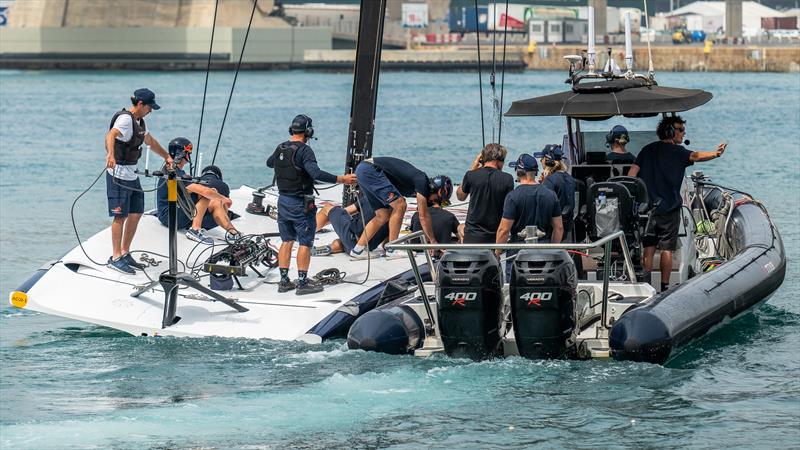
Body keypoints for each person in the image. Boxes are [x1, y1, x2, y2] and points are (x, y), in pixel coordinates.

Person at [628, 115, 726, 292]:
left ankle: (645, 287)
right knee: (667, 249)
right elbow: (696, 156)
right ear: (670, 131)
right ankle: (664, 288)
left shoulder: (646, 150)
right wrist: (716, 154)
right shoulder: (679, 153)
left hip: (647, 209)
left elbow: (631, 174)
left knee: (648, 249)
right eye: (680, 130)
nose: (683, 134)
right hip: (669, 209)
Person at [267, 114, 357, 295]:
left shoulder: (280, 148)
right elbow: (315, 173)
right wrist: (342, 179)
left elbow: (270, 163)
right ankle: (302, 283)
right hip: (300, 202)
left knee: (287, 241)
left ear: (291, 130)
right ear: (308, 131)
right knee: (305, 243)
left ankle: (284, 282)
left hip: (283, 201)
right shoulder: (305, 151)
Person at [104, 88, 173, 274]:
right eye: (149, 107)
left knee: (136, 213)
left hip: (132, 174)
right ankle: (116, 256)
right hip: (118, 174)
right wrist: (110, 154)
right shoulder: (125, 119)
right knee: (120, 216)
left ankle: (125, 252)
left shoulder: (140, 121)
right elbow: (110, 135)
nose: (151, 111)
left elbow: (149, 140)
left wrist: (166, 156)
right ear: (140, 104)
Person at [351, 157, 452, 260]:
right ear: (435, 189)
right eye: (436, 200)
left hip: (364, 170)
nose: (434, 202)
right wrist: (433, 242)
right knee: (400, 205)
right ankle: (392, 249)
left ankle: (358, 250)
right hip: (371, 170)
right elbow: (423, 216)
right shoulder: (423, 182)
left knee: (383, 215)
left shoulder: (417, 185)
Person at [155, 138, 238, 244]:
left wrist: (218, 198)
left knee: (216, 202)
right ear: (181, 154)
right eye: (188, 153)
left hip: (178, 211)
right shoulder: (172, 171)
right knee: (207, 194)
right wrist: (225, 199)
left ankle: (233, 233)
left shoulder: (177, 171)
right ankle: (195, 230)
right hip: (169, 216)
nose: (189, 156)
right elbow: (205, 192)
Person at [496, 154, 563, 262]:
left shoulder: (513, 197)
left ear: (518, 172)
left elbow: (504, 230)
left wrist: (497, 253)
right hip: (544, 249)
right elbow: (559, 227)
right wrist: (552, 249)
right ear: (536, 172)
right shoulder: (551, 195)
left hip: (518, 251)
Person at [456, 143, 514, 244]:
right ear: (498, 160)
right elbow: (508, 208)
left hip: (471, 236)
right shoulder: (507, 179)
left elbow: (460, 196)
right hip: (494, 237)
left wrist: (473, 168)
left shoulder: (471, 175)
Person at [314, 197, 389, 256]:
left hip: (354, 236)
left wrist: (333, 220)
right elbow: (386, 244)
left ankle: (306, 234)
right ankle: (332, 247)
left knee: (327, 208)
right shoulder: (396, 209)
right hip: (366, 248)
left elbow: (344, 211)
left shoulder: (369, 196)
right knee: (341, 241)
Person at [536, 144, 576, 242]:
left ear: (546, 160)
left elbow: (544, 206)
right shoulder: (569, 178)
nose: (541, 162)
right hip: (567, 227)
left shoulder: (550, 181)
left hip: (552, 230)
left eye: (542, 159)